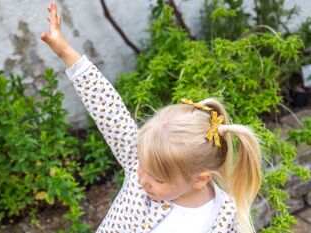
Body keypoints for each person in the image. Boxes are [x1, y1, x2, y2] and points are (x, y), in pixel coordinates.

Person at [41, 2, 262, 233]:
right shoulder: (140, 162)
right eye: (143, 168)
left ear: (199, 179)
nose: (143, 179)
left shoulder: (224, 216)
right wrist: (65, 51)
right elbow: (106, 106)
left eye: (157, 178)